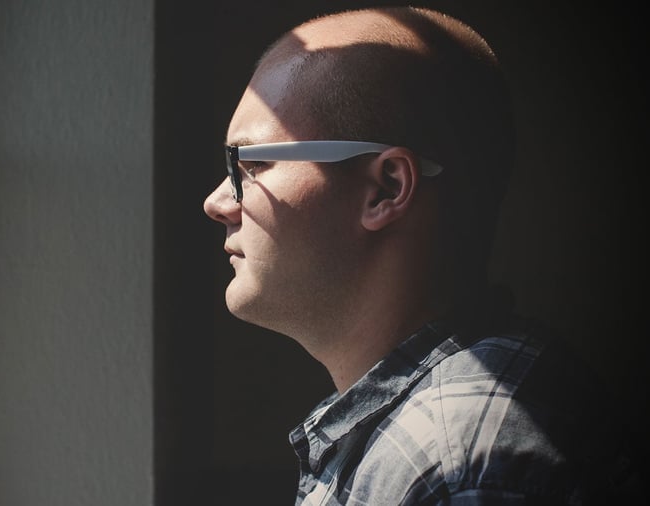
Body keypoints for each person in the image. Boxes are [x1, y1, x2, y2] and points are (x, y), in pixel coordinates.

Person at [202, 6, 643, 504]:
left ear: (386, 189)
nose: (216, 203)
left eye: (252, 164)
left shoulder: (466, 464)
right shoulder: (424, 434)